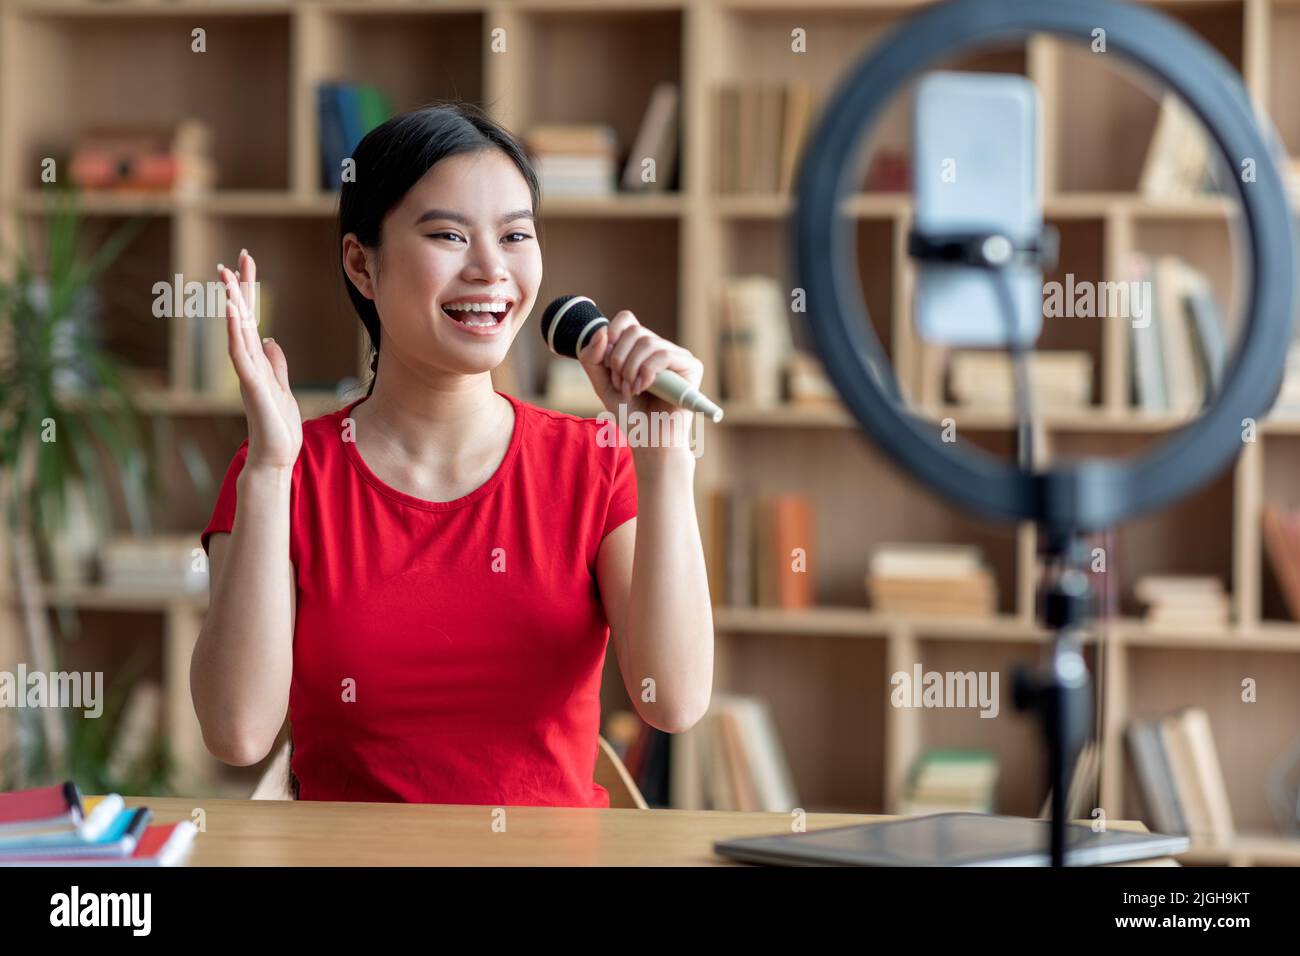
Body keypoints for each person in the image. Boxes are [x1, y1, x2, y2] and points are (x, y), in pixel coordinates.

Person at [190, 102, 713, 807]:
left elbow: (672, 702)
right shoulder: (288, 471)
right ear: (361, 264)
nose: (490, 270)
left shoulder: (596, 462)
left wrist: (664, 456)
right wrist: (268, 473)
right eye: (447, 235)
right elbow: (238, 733)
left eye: (515, 235)